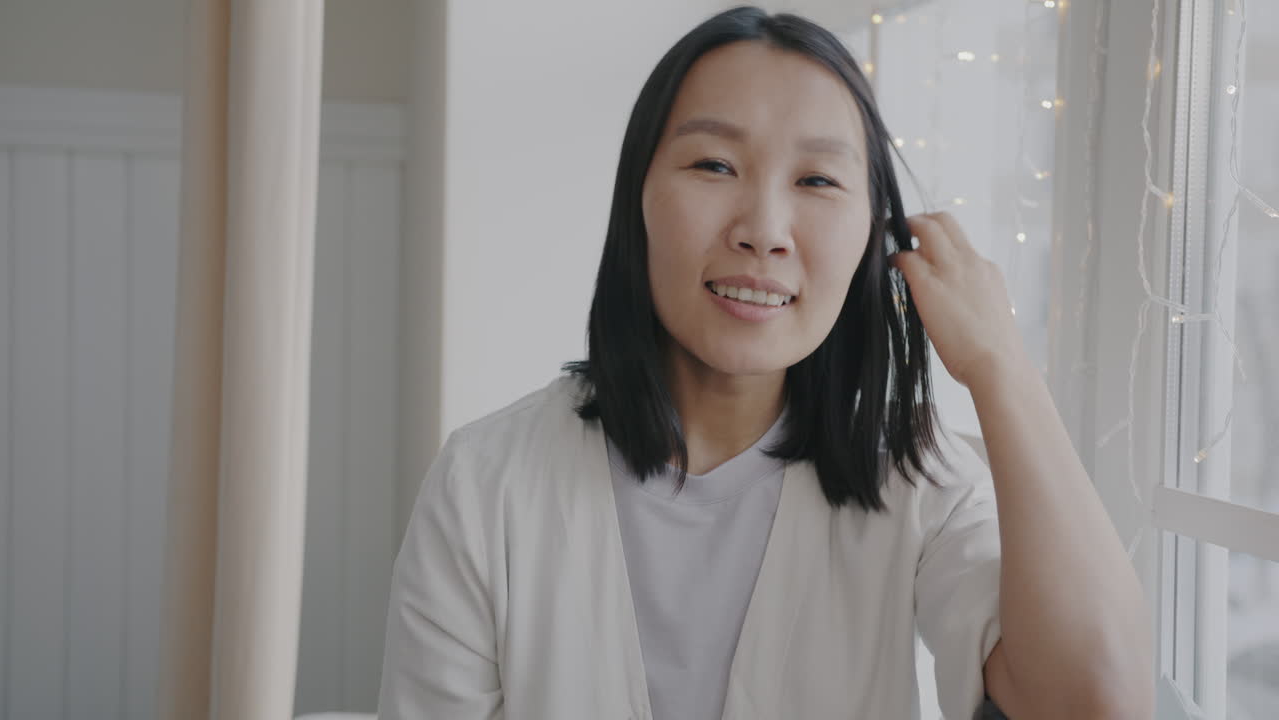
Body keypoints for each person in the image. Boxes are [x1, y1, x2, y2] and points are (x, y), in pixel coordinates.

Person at [376, 7, 1152, 720]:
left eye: (817, 180)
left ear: (872, 238)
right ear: (637, 201)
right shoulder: (486, 483)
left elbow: (1098, 702)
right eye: (715, 165)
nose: (765, 230)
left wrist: (1000, 366)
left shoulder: (914, 477)